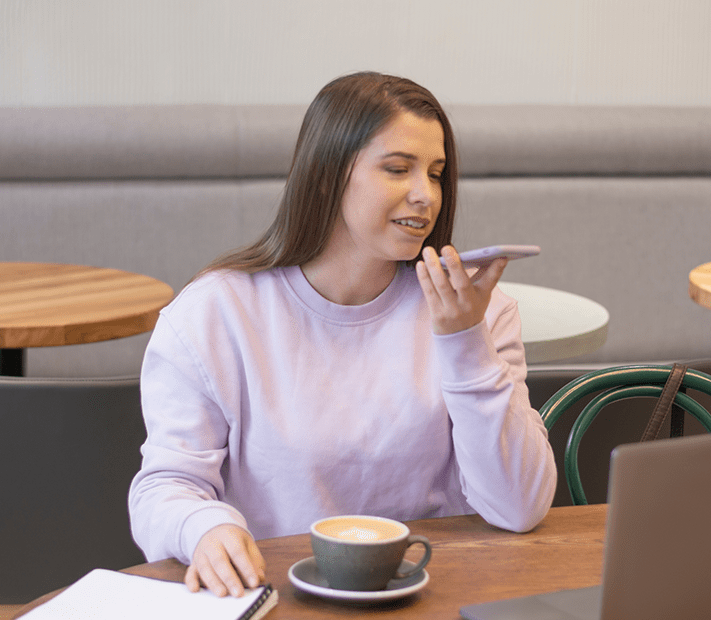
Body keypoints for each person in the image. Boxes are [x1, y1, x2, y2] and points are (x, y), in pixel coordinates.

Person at [128, 71, 557, 597]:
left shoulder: (479, 312)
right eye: (398, 169)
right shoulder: (214, 315)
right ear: (328, 176)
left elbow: (520, 506)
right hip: (281, 596)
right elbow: (164, 488)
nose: (426, 196)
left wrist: (464, 341)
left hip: (439, 595)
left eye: (437, 173)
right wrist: (204, 528)